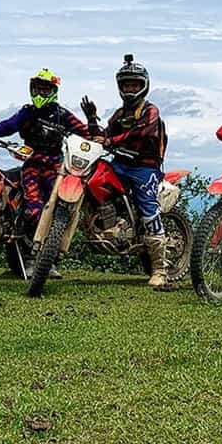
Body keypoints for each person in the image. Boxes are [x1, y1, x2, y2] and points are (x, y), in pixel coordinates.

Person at [0, 69, 92, 277]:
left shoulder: (62, 115)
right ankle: (30, 258)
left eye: (45, 88)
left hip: (56, 168)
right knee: (33, 211)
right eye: (38, 88)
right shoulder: (28, 112)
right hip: (32, 166)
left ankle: (49, 260)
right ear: (32, 89)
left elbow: (85, 133)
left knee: (61, 210)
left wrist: (94, 123)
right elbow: (9, 125)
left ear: (53, 90)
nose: (41, 92)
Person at [82, 54, 173, 290]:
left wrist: (110, 140)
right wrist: (92, 120)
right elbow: (102, 134)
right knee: (93, 180)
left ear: (143, 86)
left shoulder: (150, 111)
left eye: (134, 84)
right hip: (121, 163)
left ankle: (160, 270)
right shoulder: (120, 114)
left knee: (148, 209)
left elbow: (141, 133)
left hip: (145, 166)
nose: (130, 89)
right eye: (126, 85)